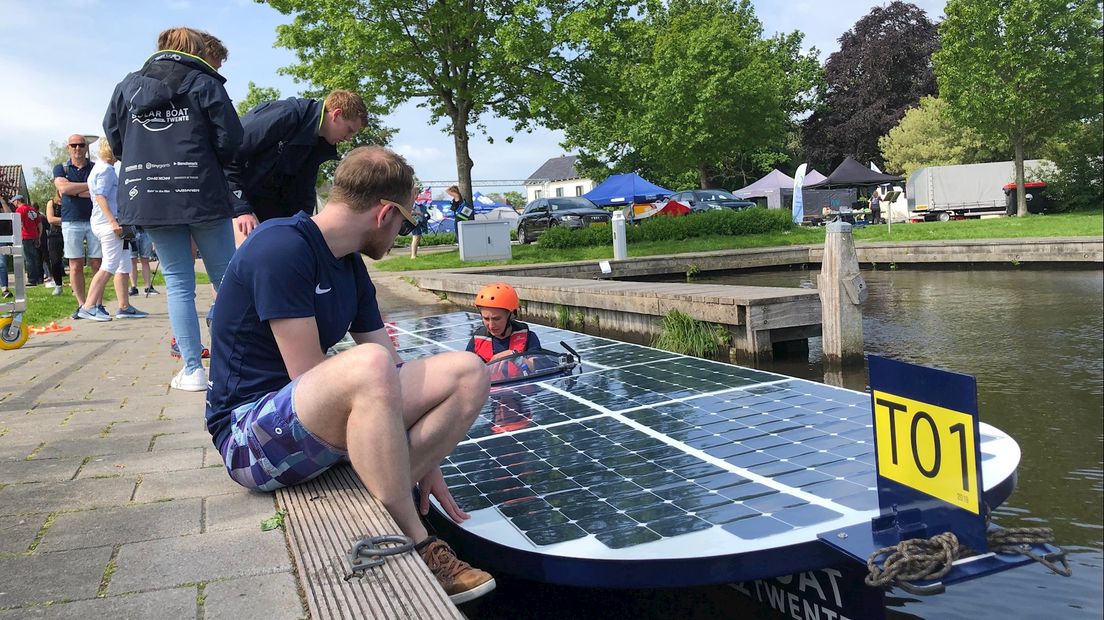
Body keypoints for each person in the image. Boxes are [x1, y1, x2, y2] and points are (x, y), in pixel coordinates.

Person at [207, 146, 496, 604]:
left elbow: (392, 366)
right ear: (385, 213)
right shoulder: (280, 248)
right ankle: (416, 539)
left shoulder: (350, 266)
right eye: (404, 224)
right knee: (369, 367)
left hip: (312, 425)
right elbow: (307, 376)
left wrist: (433, 456)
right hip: (249, 440)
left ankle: (387, 487)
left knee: (468, 372)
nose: (401, 235)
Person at [104, 26, 242, 391]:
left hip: (150, 194)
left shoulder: (127, 87)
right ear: (195, 49)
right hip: (201, 191)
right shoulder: (204, 82)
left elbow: (113, 136)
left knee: (179, 282)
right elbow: (232, 137)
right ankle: (243, 361)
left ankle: (193, 370)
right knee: (227, 278)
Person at [226, 89, 369, 245]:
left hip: (269, 211)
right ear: (336, 114)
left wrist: (302, 227)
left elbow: (303, 193)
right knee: (250, 256)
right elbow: (229, 155)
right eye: (349, 130)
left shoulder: (318, 143)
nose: (349, 138)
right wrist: (242, 210)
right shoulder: (285, 114)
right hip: (238, 205)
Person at [77, 139, 148, 321]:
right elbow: (100, 196)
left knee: (124, 263)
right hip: (109, 224)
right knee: (108, 265)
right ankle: (88, 306)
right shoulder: (106, 170)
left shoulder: (101, 168)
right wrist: (113, 222)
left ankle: (124, 306)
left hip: (114, 222)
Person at [53, 134, 101, 315]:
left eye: (81, 145)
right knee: (75, 264)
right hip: (71, 221)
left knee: (98, 263)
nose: (77, 149)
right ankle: (82, 305)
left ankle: (96, 304)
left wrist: (74, 190)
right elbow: (63, 189)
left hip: (94, 219)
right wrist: (87, 187)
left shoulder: (95, 168)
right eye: (74, 145)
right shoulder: (61, 168)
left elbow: (99, 193)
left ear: (86, 147)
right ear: (68, 148)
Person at [465, 283, 541, 362]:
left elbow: (538, 366)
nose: (491, 326)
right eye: (486, 319)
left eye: (496, 319)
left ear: (510, 315)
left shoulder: (529, 337)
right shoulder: (476, 341)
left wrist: (516, 357)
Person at [10, 195, 42, 287]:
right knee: (35, 258)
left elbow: (19, 224)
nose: (14, 203)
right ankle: (38, 278)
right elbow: (39, 224)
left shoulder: (20, 210)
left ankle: (32, 280)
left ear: (18, 201)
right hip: (34, 236)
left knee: (29, 259)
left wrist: (17, 235)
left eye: (14, 201)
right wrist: (38, 236)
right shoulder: (32, 209)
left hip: (25, 236)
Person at [44, 192, 67, 296]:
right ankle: (58, 285)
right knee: (55, 261)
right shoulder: (51, 203)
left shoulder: (71, 201)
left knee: (73, 260)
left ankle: (75, 288)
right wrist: (68, 220)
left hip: (69, 232)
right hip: (55, 234)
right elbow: (50, 219)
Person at [128, 228, 158, 296]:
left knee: (145, 260)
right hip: (131, 231)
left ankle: (148, 287)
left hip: (145, 230)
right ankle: (133, 288)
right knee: (132, 260)